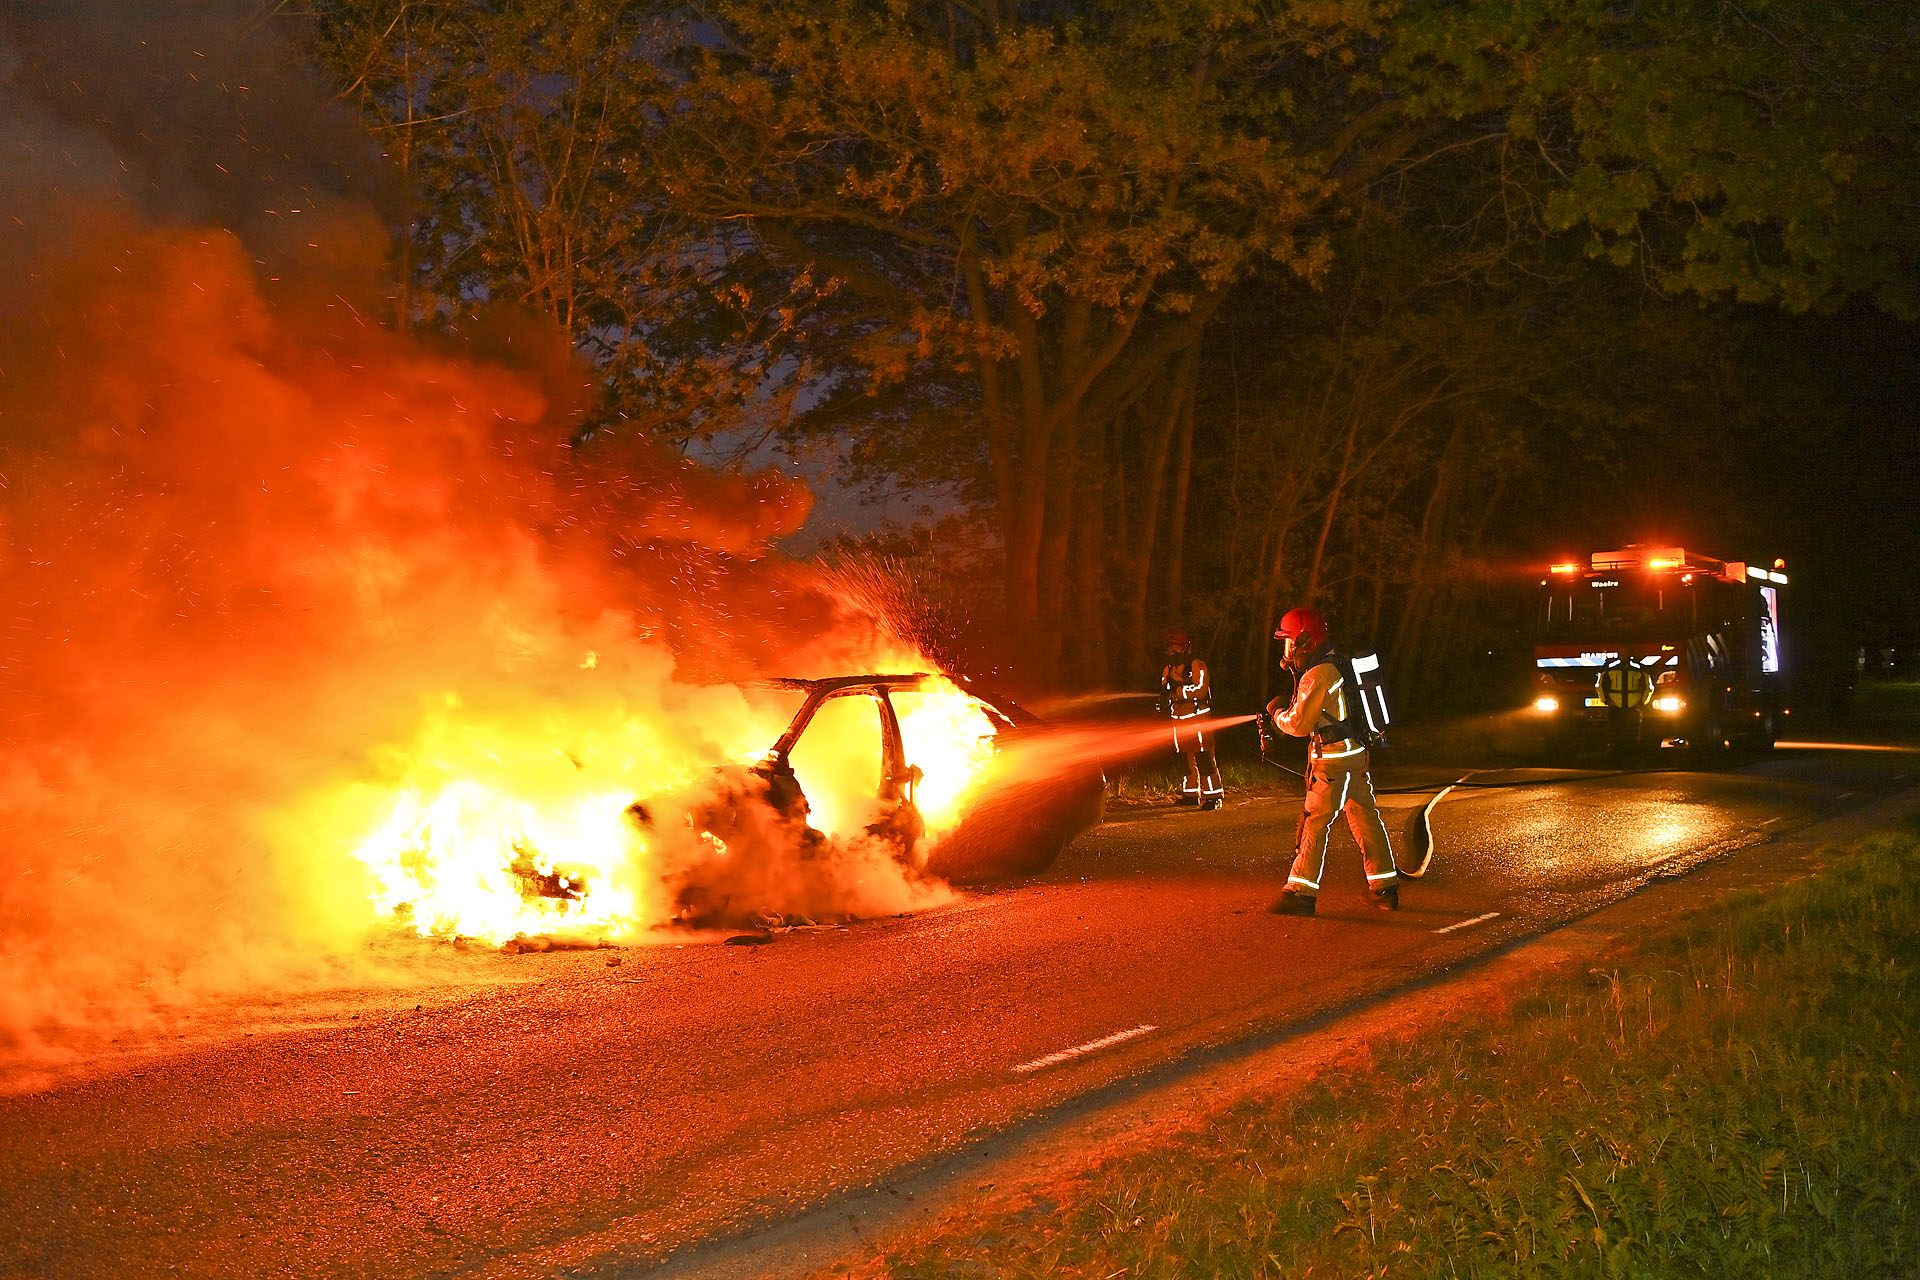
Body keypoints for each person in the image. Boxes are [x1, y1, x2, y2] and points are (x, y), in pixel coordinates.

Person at [1266, 608, 1399, 915]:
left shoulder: (1318, 675)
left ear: (1305, 640)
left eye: (1289, 642)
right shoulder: (1340, 663)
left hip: (1333, 763)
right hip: (1355, 756)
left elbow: (1299, 725)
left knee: (1315, 821)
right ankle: (1385, 889)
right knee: (1365, 818)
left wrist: (1276, 716)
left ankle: (1300, 893)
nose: (1287, 651)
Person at [1159, 631, 1224, 810]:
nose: (1173, 651)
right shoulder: (1168, 668)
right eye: (1170, 648)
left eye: (1176, 647)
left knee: (1203, 757)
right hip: (1178, 720)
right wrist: (1164, 696)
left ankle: (1213, 796)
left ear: (1186, 648)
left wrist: (1179, 693)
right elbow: (1165, 687)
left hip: (1198, 719)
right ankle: (1190, 794)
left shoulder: (1197, 665)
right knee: (1183, 758)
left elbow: (1201, 690)